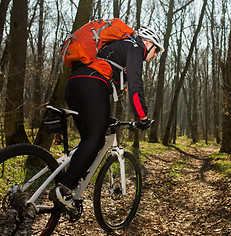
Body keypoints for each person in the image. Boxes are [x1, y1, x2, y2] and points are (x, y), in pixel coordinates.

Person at [49, 26, 164, 214]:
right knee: (96, 139)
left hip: (74, 82)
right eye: (156, 50)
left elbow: (116, 81)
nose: (156, 55)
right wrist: (142, 117)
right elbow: (136, 86)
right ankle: (64, 188)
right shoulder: (134, 47)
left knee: (89, 140)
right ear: (148, 43)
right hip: (92, 83)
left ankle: (66, 183)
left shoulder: (117, 47)